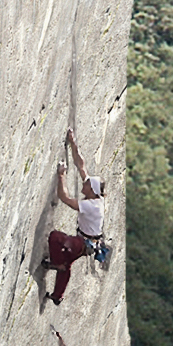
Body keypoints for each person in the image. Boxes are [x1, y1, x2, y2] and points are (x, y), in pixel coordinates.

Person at [43, 124, 111, 302]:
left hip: (83, 242)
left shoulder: (92, 206)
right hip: (86, 242)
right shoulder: (94, 196)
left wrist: (61, 175)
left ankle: (57, 264)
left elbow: (64, 198)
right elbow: (81, 166)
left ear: (92, 191)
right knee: (67, 261)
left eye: (87, 184)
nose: (84, 184)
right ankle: (57, 296)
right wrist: (73, 143)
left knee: (56, 238)